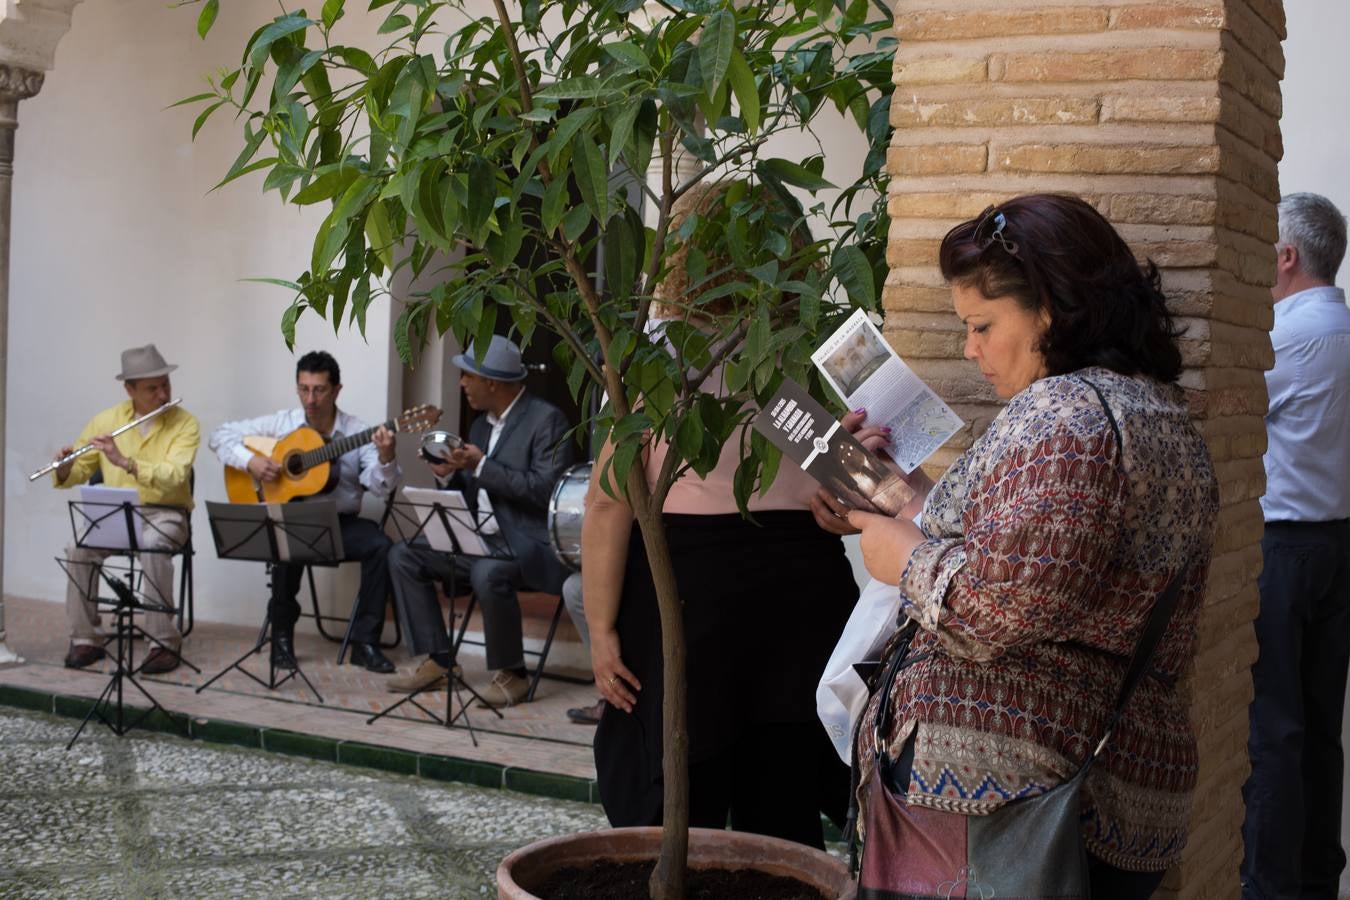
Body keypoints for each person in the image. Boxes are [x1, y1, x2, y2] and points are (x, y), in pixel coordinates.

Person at [844, 194, 1219, 897]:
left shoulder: (1064, 414)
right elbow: (1039, 559)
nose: (970, 349)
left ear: (1048, 305)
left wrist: (905, 558)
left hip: (1006, 809)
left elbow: (1000, 609)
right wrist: (905, 500)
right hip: (1098, 797)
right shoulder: (1158, 412)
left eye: (983, 325)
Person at [584, 183, 859, 849]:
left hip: (690, 591)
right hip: (802, 589)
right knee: (784, 804)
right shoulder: (803, 350)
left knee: (685, 801)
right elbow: (861, 486)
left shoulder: (654, 357)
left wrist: (599, 629)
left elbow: (608, 501)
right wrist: (844, 515)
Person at [1241, 193, 1350, 899]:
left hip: (1282, 551)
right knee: (1317, 729)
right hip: (1338, 547)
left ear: (1284, 256)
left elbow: (1220, 406)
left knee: (1272, 732)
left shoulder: (1284, 335)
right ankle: (1316, 881)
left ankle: (1270, 890)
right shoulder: (1342, 327)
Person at [386, 335, 574, 707]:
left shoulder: (547, 420)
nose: (461, 384)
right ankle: (439, 660)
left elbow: (546, 491)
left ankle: (513, 674)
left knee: (488, 572)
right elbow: (475, 491)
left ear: (491, 381)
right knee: (403, 554)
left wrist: (482, 465)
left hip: (530, 544)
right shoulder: (479, 427)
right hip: (482, 539)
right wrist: (448, 474)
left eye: (467, 376)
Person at [209, 351, 400, 673]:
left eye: (319, 390)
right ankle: (281, 640)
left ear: (337, 390)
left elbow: (380, 488)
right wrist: (250, 461)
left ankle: (364, 643)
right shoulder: (282, 424)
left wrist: (386, 457)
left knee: (382, 547)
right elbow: (219, 435)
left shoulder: (359, 431)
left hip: (341, 524)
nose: (310, 399)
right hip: (294, 519)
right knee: (282, 539)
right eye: (303, 389)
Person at [55, 344, 199, 674]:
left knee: (152, 546)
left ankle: (163, 643)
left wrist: (125, 462)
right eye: (152, 388)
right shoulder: (106, 420)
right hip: (117, 514)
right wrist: (64, 468)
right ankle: (85, 639)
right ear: (129, 389)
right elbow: (79, 470)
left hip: (166, 514)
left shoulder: (185, 424)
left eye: (166, 384)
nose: (163, 394)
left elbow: (176, 476)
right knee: (77, 548)